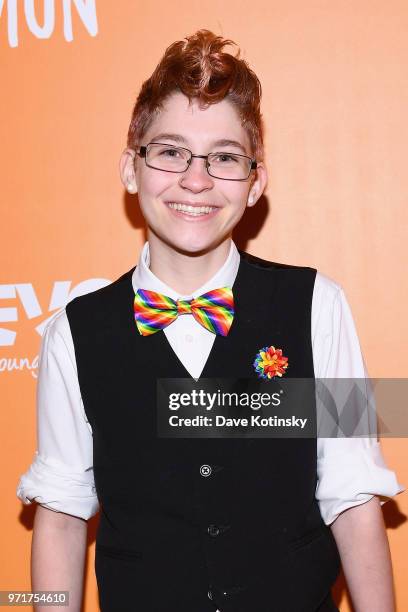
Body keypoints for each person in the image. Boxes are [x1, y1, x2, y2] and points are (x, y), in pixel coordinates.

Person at [17, 30, 404, 612]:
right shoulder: (74, 332)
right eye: (171, 151)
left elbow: (352, 496)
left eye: (223, 157)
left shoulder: (318, 304)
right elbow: (61, 517)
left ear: (255, 183)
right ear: (131, 169)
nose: (196, 180)